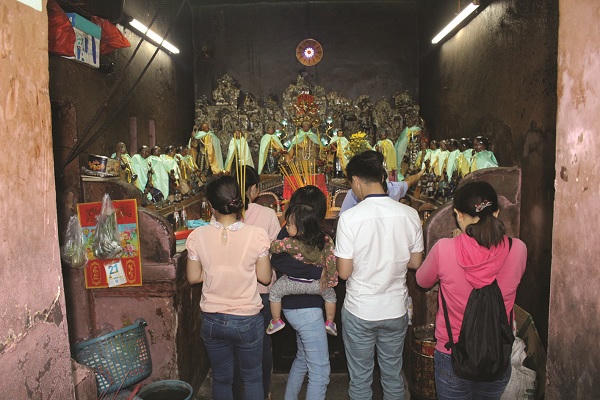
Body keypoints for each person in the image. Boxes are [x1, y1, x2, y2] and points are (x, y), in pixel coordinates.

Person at [416, 181, 526, 400]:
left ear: (458, 214)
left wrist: (457, 242)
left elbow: (422, 281)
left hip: (452, 354)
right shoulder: (518, 249)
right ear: (496, 213)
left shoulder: (444, 249)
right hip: (497, 353)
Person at [335, 150, 424, 400]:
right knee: (393, 376)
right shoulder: (409, 214)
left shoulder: (349, 219)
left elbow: (344, 273)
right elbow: (416, 262)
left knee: (360, 379)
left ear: (356, 180)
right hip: (395, 309)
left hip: (360, 309)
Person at [186, 175, 272, 400]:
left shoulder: (197, 236)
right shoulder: (257, 235)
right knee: (252, 378)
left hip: (212, 319)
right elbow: (265, 278)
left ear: (211, 205)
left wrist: (214, 271)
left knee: (222, 378)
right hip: (247, 319)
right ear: (239, 202)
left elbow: (193, 277)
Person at [270, 186, 331, 400]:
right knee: (320, 371)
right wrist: (318, 271)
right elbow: (279, 261)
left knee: (303, 359)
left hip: (295, 307)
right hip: (306, 309)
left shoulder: (301, 231)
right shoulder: (291, 232)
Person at [232, 166, 281, 400]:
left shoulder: (220, 216)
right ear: (253, 189)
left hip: (232, 291)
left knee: (235, 348)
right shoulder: (267, 214)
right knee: (261, 346)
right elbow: (278, 251)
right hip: (262, 291)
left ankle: (239, 392)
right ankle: (263, 391)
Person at [266, 203, 338, 336]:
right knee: (330, 296)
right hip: (317, 285)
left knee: (275, 293)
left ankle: (276, 321)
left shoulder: (290, 242)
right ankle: (330, 322)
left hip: (291, 283)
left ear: (301, 228)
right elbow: (331, 261)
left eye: (289, 224)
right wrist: (331, 279)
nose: (286, 227)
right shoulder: (326, 240)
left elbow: (273, 247)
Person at [339, 151, 423, 214]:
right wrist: (421, 173)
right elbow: (409, 181)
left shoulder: (349, 216)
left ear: (355, 181)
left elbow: (340, 219)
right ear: (383, 177)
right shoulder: (411, 214)